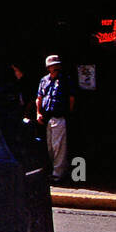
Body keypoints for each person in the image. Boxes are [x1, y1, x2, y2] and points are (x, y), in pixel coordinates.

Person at [36, 55, 75, 183]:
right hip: (47, 117)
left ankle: (58, 174)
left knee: (59, 146)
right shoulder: (44, 80)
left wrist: (68, 113)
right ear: (49, 67)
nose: (56, 68)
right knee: (50, 146)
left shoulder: (66, 80)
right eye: (54, 66)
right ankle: (52, 170)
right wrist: (38, 113)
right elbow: (39, 98)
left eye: (58, 65)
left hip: (59, 116)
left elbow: (71, 98)